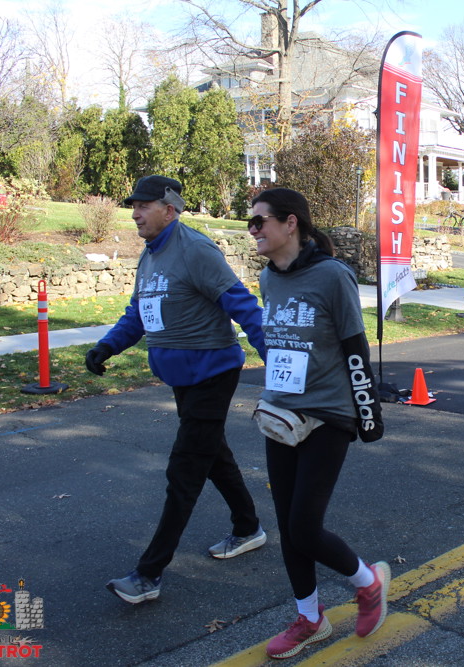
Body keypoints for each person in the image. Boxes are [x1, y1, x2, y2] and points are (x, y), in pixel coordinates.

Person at [86, 175, 269, 604]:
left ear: (169, 209)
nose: (135, 214)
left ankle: (148, 574)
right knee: (213, 455)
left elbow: (244, 307)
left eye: (143, 206)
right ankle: (248, 527)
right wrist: (107, 346)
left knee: (184, 469)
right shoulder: (150, 255)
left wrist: (278, 368)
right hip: (182, 377)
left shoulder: (196, 250)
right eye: (133, 206)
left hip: (212, 372)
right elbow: (138, 313)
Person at [248, 188, 388, 660]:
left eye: (260, 221)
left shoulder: (332, 276)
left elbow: (354, 347)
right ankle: (310, 618)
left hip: (328, 415)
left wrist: (368, 412)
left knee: (305, 528)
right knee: (288, 527)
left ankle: (368, 583)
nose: (253, 229)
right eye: (250, 222)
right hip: (281, 416)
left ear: (291, 223)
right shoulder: (268, 279)